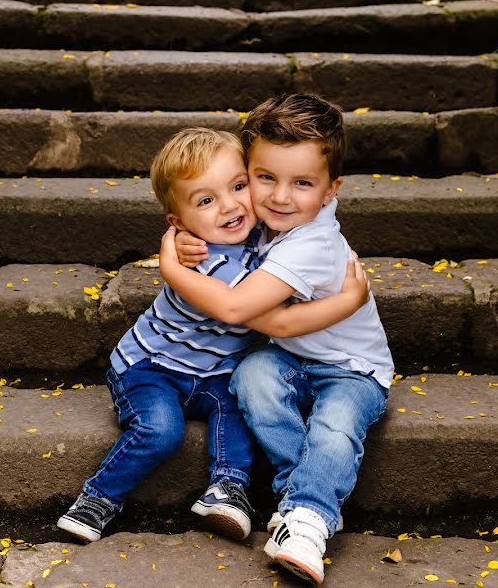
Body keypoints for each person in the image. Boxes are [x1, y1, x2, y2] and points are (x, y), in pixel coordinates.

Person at [57, 127, 370, 545]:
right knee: (160, 430)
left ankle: (227, 489)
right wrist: (348, 302)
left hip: (216, 372)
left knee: (239, 405)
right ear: (179, 221)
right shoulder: (204, 258)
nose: (229, 206)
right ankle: (98, 497)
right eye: (206, 201)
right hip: (152, 367)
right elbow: (254, 311)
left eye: (238, 186)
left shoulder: (264, 233)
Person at [159, 95, 394, 585]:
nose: (279, 197)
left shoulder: (313, 243)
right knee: (251, 377)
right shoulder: (270, 219)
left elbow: (236, 308)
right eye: (264, 178)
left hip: (352, 368)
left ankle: (308, 520)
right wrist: (185, 240)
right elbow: (222, 231)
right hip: (289, 357)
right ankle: (302, 486)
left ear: (332, 191)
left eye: (302, 183)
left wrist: (167, 263)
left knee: (336, 423)